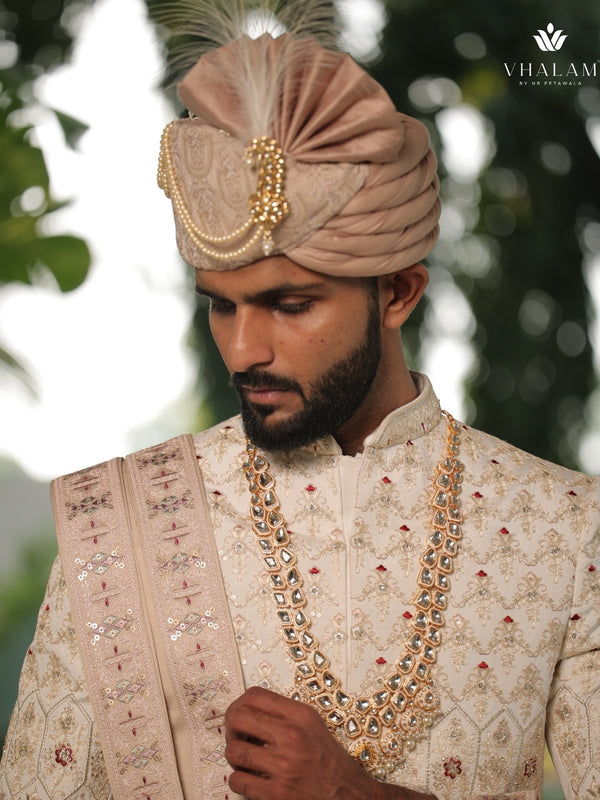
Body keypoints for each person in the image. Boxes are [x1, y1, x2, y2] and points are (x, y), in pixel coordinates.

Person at [1, 5, 600, 800]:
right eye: (222, 306)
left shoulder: (564, 529)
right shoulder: (120, 522)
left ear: (398, 293)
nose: (243, 349)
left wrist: (358, 794)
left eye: (289, 305)